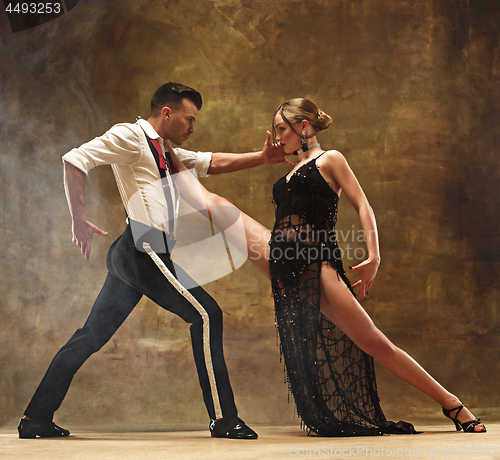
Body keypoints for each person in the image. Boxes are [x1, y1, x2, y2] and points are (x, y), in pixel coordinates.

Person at [18, 82, 289, 440]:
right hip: (143, 248)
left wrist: (262, 157)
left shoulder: (164, 150)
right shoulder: (130, 136)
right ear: (166, 113)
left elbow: (209, 162)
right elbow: (75, 159)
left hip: (134, 253)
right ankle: (224, 419)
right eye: (189, 120)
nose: (193, 128)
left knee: (91, 335)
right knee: (207, 315)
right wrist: (78, 220)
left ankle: (35, 418)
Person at [240, 98, 487, 436]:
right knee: (222, 214)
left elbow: (362, 204)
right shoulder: (290, 171)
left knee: (374, 342)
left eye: (282, 128)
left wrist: (375, 255)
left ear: (304, 127)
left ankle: (453, 404)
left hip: (317, 261)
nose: (278, 136)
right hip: (285, 264)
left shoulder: (330, 159)